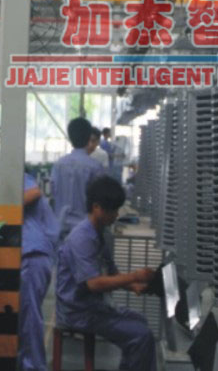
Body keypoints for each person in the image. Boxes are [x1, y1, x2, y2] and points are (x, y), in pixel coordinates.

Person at [57, 175, 158, 371]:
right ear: (97, 207)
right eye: (113, 210)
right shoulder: (82, 238)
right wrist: (135, 276)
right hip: (78, 311)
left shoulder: (99, 234)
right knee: (141, 335)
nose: (116, 215)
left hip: (94, 307)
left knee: (141, 322)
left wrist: (134, 286)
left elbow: (111, 272)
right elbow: (93, 283)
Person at [20, 171, 60, 371]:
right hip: (36, 254)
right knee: (26, 318)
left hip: (33, 255)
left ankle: (34, 367)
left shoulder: (17, 176)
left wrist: (2, 210)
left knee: (29, 319)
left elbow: (34, 192)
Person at [52, 117, 105, 238]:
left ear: (70, 138)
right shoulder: (95, 167)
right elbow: (100, 199)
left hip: (61, 227)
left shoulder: (58, 165)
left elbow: (54, 192)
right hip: (85, 229)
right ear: (88, 138)